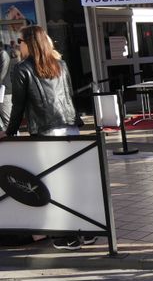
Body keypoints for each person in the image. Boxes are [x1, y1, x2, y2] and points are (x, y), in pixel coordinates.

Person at [0, 26, 96, 250]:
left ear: (29, 43)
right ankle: (89, 231)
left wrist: (10, 131)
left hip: (46, 131)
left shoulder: (22, 69)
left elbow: (19, 106)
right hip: (70, 128)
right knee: (74, 182)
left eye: (20, 41)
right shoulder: (60, 65)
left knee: (53, 185)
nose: (17, 45)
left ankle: (68, 237)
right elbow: (69, 96)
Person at [0, 44, 14, 131]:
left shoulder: (3, 54)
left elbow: (2, 74)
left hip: (4, 92)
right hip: (3, 91)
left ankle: (15, 142)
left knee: (7, 120)